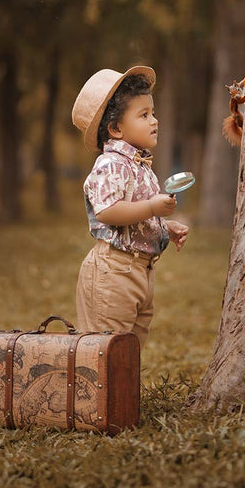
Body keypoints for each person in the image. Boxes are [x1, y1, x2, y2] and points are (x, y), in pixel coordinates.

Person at [70, 66, 190, 351]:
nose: (154, 121)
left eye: (153, 113)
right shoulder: (111, 164)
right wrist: (151, 207)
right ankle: (98, 397)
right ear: (115, 128)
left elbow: (133, 214)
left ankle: (121, 396)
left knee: (129, 350)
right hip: (114, 273)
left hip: (140, 271)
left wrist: (164, 228)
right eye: (144, 115)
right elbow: (108, 210)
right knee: (104, 349)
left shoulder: (139, 165)